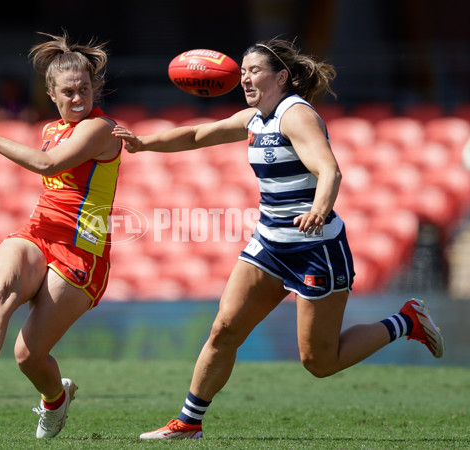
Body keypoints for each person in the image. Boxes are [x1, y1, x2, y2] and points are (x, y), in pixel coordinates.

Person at [112, 38, 445, 440]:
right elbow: (199, 135)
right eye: (243, 72)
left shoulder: (294, 115)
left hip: (315, 251)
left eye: (254, 71)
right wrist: (144, 143)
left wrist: (319, 209)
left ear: (281, 76)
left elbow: (329, 171)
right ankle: (188, 422)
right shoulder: (256, 118)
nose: (245, 78)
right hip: (269, 247)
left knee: (319, 362)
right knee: (224, 330)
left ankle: (406, 320)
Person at [0, 31, 121, 440]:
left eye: (85, 89)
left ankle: (56, 400)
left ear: (94, 88)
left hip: (83, 250)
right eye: (69, 92)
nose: (79, 99)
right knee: (0, 290)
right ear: (52, 95)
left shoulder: (102, 129)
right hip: (38, 232)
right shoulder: (50, 128)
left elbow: (47, 165)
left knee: (28, 356)